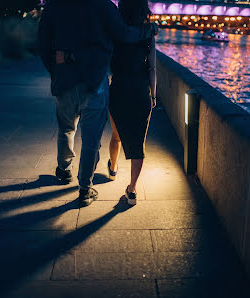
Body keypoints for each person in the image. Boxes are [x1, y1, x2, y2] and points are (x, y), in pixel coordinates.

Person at [38, 0, 157, 207]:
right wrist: (150, 29)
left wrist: (56, 71)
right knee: (91, 138)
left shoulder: (54, 5)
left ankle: (64, 170)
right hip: (95, 81)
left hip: (65, 79)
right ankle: (85, 189)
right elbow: (125, 34)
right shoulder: (103, 6)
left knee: (66, 127)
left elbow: (42, 43)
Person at [107, 0, 157, 206]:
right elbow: (152, 67)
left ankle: (112, 167)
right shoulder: (148, 32)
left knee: (116, 136)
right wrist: (153, 95)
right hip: (140, 92)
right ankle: (132, 189)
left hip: (118, 90)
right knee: (138, 142)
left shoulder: (115, 31)